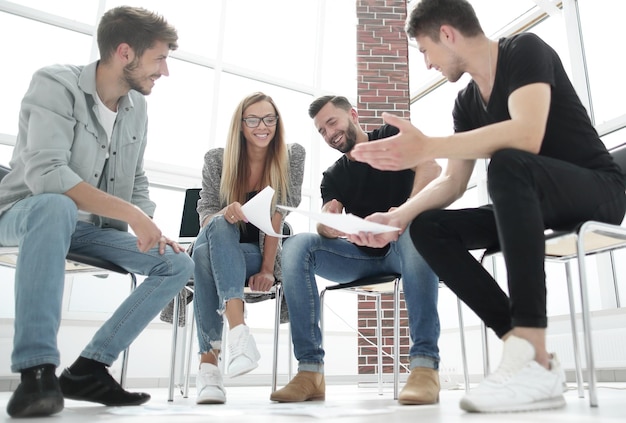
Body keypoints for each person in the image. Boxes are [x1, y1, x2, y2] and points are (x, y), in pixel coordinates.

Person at [350, 0, 626, 414]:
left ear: (447, 34)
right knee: (429, 228)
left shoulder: (524, 51)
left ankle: (531, 358)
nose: (426, 64)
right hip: (532, 201)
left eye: (424, 50)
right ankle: (523, 347)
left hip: (598, 191)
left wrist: (428, 146)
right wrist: (398, 216)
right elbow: (453, 182)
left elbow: (527, 135)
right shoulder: (465, 104)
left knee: (509, 163)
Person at [0, 6, 195, 419]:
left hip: (85, 230)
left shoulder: (136, 108)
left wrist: (149, 225)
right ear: (125, 52)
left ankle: (89, 368)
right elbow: (48, 176)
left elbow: (137, 179)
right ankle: (36, 372)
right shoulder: (54, 84)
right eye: (159, 58)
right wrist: (133, 215)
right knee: (56, 206)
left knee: (176, 264)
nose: (164, 71)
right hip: (24, 214)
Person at [270, 95, 442, 405]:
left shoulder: (390, 137)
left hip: (408, 246)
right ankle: (310, 372)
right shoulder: (334, 176)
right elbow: (326, 220)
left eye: (332, 122)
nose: (329, 133)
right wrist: (329, 224)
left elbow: (431, 168)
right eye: (322, 130)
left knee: (416, 228)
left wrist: (401, 212)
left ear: (353, 114)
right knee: (296, 245)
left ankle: (425, 365)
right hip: (363, 257)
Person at [192, 92, 305, 405]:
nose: (262, 126)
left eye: (270, 118)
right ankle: (238, 334)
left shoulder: (291, 156)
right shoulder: (217, 159)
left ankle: (209, 369)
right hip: (220, 248)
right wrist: (224, 213)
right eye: (253, 119)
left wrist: (269, 268)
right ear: (240, 125)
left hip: (255, 254)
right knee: (211, 235)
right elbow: (206, 216)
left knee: (202, 257)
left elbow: (278, 216)